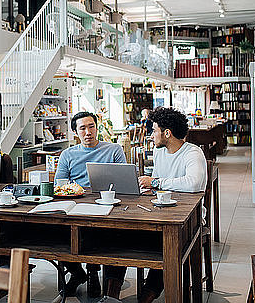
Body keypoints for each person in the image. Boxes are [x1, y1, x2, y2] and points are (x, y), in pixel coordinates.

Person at [104, 107, 207, 303]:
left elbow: (193, 183)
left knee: (166, 247)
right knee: (117, 236)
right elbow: (159, 183)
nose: (151, 135)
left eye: (154, 130)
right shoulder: (160, 152)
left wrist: (156, 182)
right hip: (159, 213)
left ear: (167, 133)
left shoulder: (192, 153)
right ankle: (111, 296)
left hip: (189, 220)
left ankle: (146, 297)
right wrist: (149, 188)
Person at [55, 111, 126, 298]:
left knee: (113, 234)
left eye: (91, 126)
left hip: (108, 206)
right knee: (55, 233)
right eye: (82, 128)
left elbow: (125, 183)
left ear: (97, 127)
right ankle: (78, 272)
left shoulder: (114, 150)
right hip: (76, 206)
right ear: (75, 132)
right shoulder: (67, 155)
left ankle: (95, 273)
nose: (88, 132)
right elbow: (59, 185)